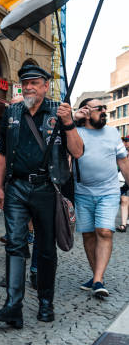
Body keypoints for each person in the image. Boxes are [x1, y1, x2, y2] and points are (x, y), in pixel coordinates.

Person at [0, 65, 83, 329]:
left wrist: (69, 123)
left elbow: (77, 152)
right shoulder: (12, 112)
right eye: (25, 83)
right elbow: (4, 152)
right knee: (15, 244)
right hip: (16, 187)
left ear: (45, 86)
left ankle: (45, 303)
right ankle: (13, 307)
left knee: (45, 248)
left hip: (47, 188)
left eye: (34, 83)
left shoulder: (59, 110)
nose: (29, 87)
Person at [72, 98, 129, 298]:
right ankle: (97, 276)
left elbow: (123, 161)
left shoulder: (113, 133)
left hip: (108, 191)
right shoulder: (75, 132)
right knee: (88, 234)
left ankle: (97, 279)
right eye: (100, 108)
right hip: (82, 192)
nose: (104, 111)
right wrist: (72, 117)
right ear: (86, 112)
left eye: (105, 108)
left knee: (104, 231)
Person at [117, 136, 129, 233]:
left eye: (127, 141)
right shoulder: (123, 153)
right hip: (125, 180)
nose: (125, 143)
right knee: (124, 200)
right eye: (124, 141)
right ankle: (123, 224)